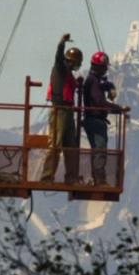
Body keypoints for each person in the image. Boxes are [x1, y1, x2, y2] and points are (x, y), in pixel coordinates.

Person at [39, 34, 83, 183]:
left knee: (70, 145)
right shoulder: (60, 67)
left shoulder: (67, 73)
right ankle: (46, 176)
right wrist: (61, 43)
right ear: (71, 62)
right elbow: (58, 57)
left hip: (68, 111)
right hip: (59, 110)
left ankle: (71, 177)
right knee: (56, 144)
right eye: (76, 63)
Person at [81, 51, 128, 186]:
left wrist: (110, 86)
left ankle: (98, 178)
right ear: (100, 67)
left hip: (94, 120)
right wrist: (118, 108)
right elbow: (99, 101)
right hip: (95, 121)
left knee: (98, 149)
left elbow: (102, 85)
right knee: (100, 149)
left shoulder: (93, 80)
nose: (106, 69)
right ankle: (99, 180)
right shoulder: (93, 81)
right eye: (105, 66)